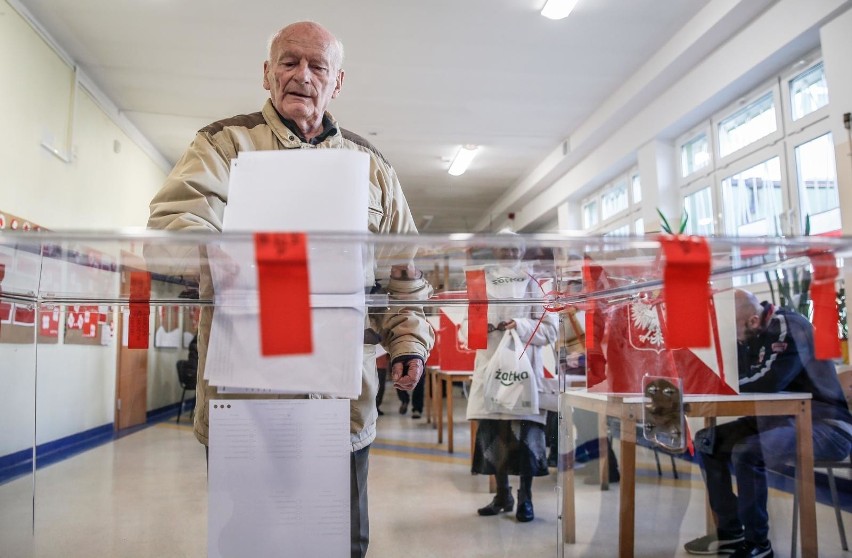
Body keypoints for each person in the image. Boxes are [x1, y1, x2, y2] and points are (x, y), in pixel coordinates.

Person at [147, 21, 434, 558]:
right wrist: (214, 252)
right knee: (250, 545)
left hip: (340, 401)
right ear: (266, 72)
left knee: (342, 543)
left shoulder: (374, 169)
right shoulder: (223, 144)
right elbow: (170, 228)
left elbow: (405, 274)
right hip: (246, 400)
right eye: (288, 61)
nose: (301, 75)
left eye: (317, 65)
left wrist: (408, 342)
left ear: (337, 81)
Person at [684, 289, 852, 558]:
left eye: (735, 329)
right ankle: (730, 533)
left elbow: (767, 382)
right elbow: (731, 374)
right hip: (779, 420)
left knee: (748, 452)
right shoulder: (750, 333)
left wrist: (715, 383)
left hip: (826, 426)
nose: (734, 337)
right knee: (707, 441)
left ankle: (758, 545)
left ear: (752, 321)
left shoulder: (789, 327)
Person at [465, 242, 558, 522]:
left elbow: (550, 330)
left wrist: (521, 324)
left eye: (514, 249)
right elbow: (466, 332)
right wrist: (484, 327)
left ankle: (525, 498)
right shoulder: (480, 281)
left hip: (524, 371)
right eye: (503, 248)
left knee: (526, 437)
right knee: (495, 436)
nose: (509, 253)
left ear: (522, 251)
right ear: (494, 251)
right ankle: (502, 494)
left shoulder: (536, 282)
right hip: (490, 369)